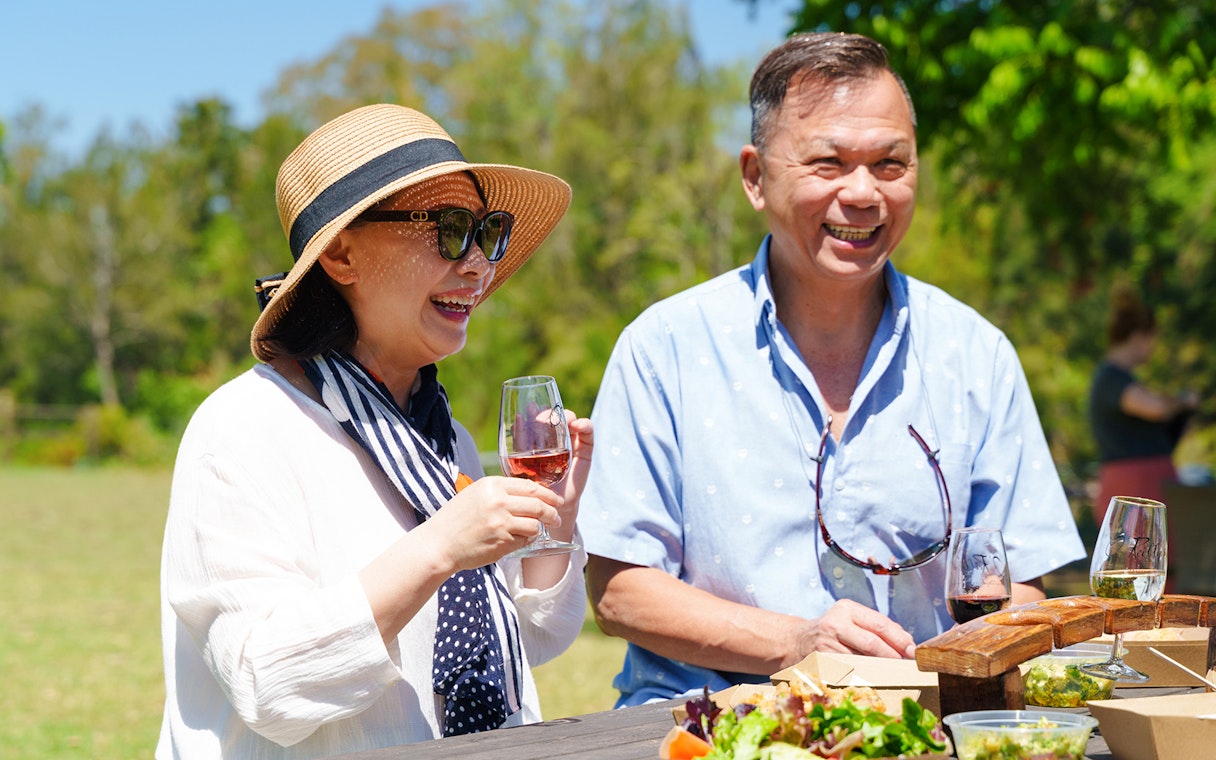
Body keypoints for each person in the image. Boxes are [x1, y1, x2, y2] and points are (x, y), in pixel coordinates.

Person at [577, 32, 1086, 707]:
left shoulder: (975, 354)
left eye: (889, 163)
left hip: (918, 730)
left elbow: (1020, 581)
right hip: (705, 730)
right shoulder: (664, 347)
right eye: (828, 162)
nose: (864, 192)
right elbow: (618, 590)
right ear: (755, 177)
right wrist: (794, 644)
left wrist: (943, 679)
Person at [157, 104, 592, 758]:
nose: (478, 265)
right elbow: (267, 682)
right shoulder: (243, 429)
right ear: (340, 254)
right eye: (448, 229)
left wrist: (555, 519)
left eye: (488, 233)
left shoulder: (446, 438)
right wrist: (442, 545)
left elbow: (529, 642)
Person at [1088, 283, 1199, 527]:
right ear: (1139, 337)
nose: (1153, 348)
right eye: (1152, 340)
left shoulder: (1121, 378)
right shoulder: (1111, 378)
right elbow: (1156, 408)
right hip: (1134, 488)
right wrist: (1183, 401)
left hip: (1145, 484)